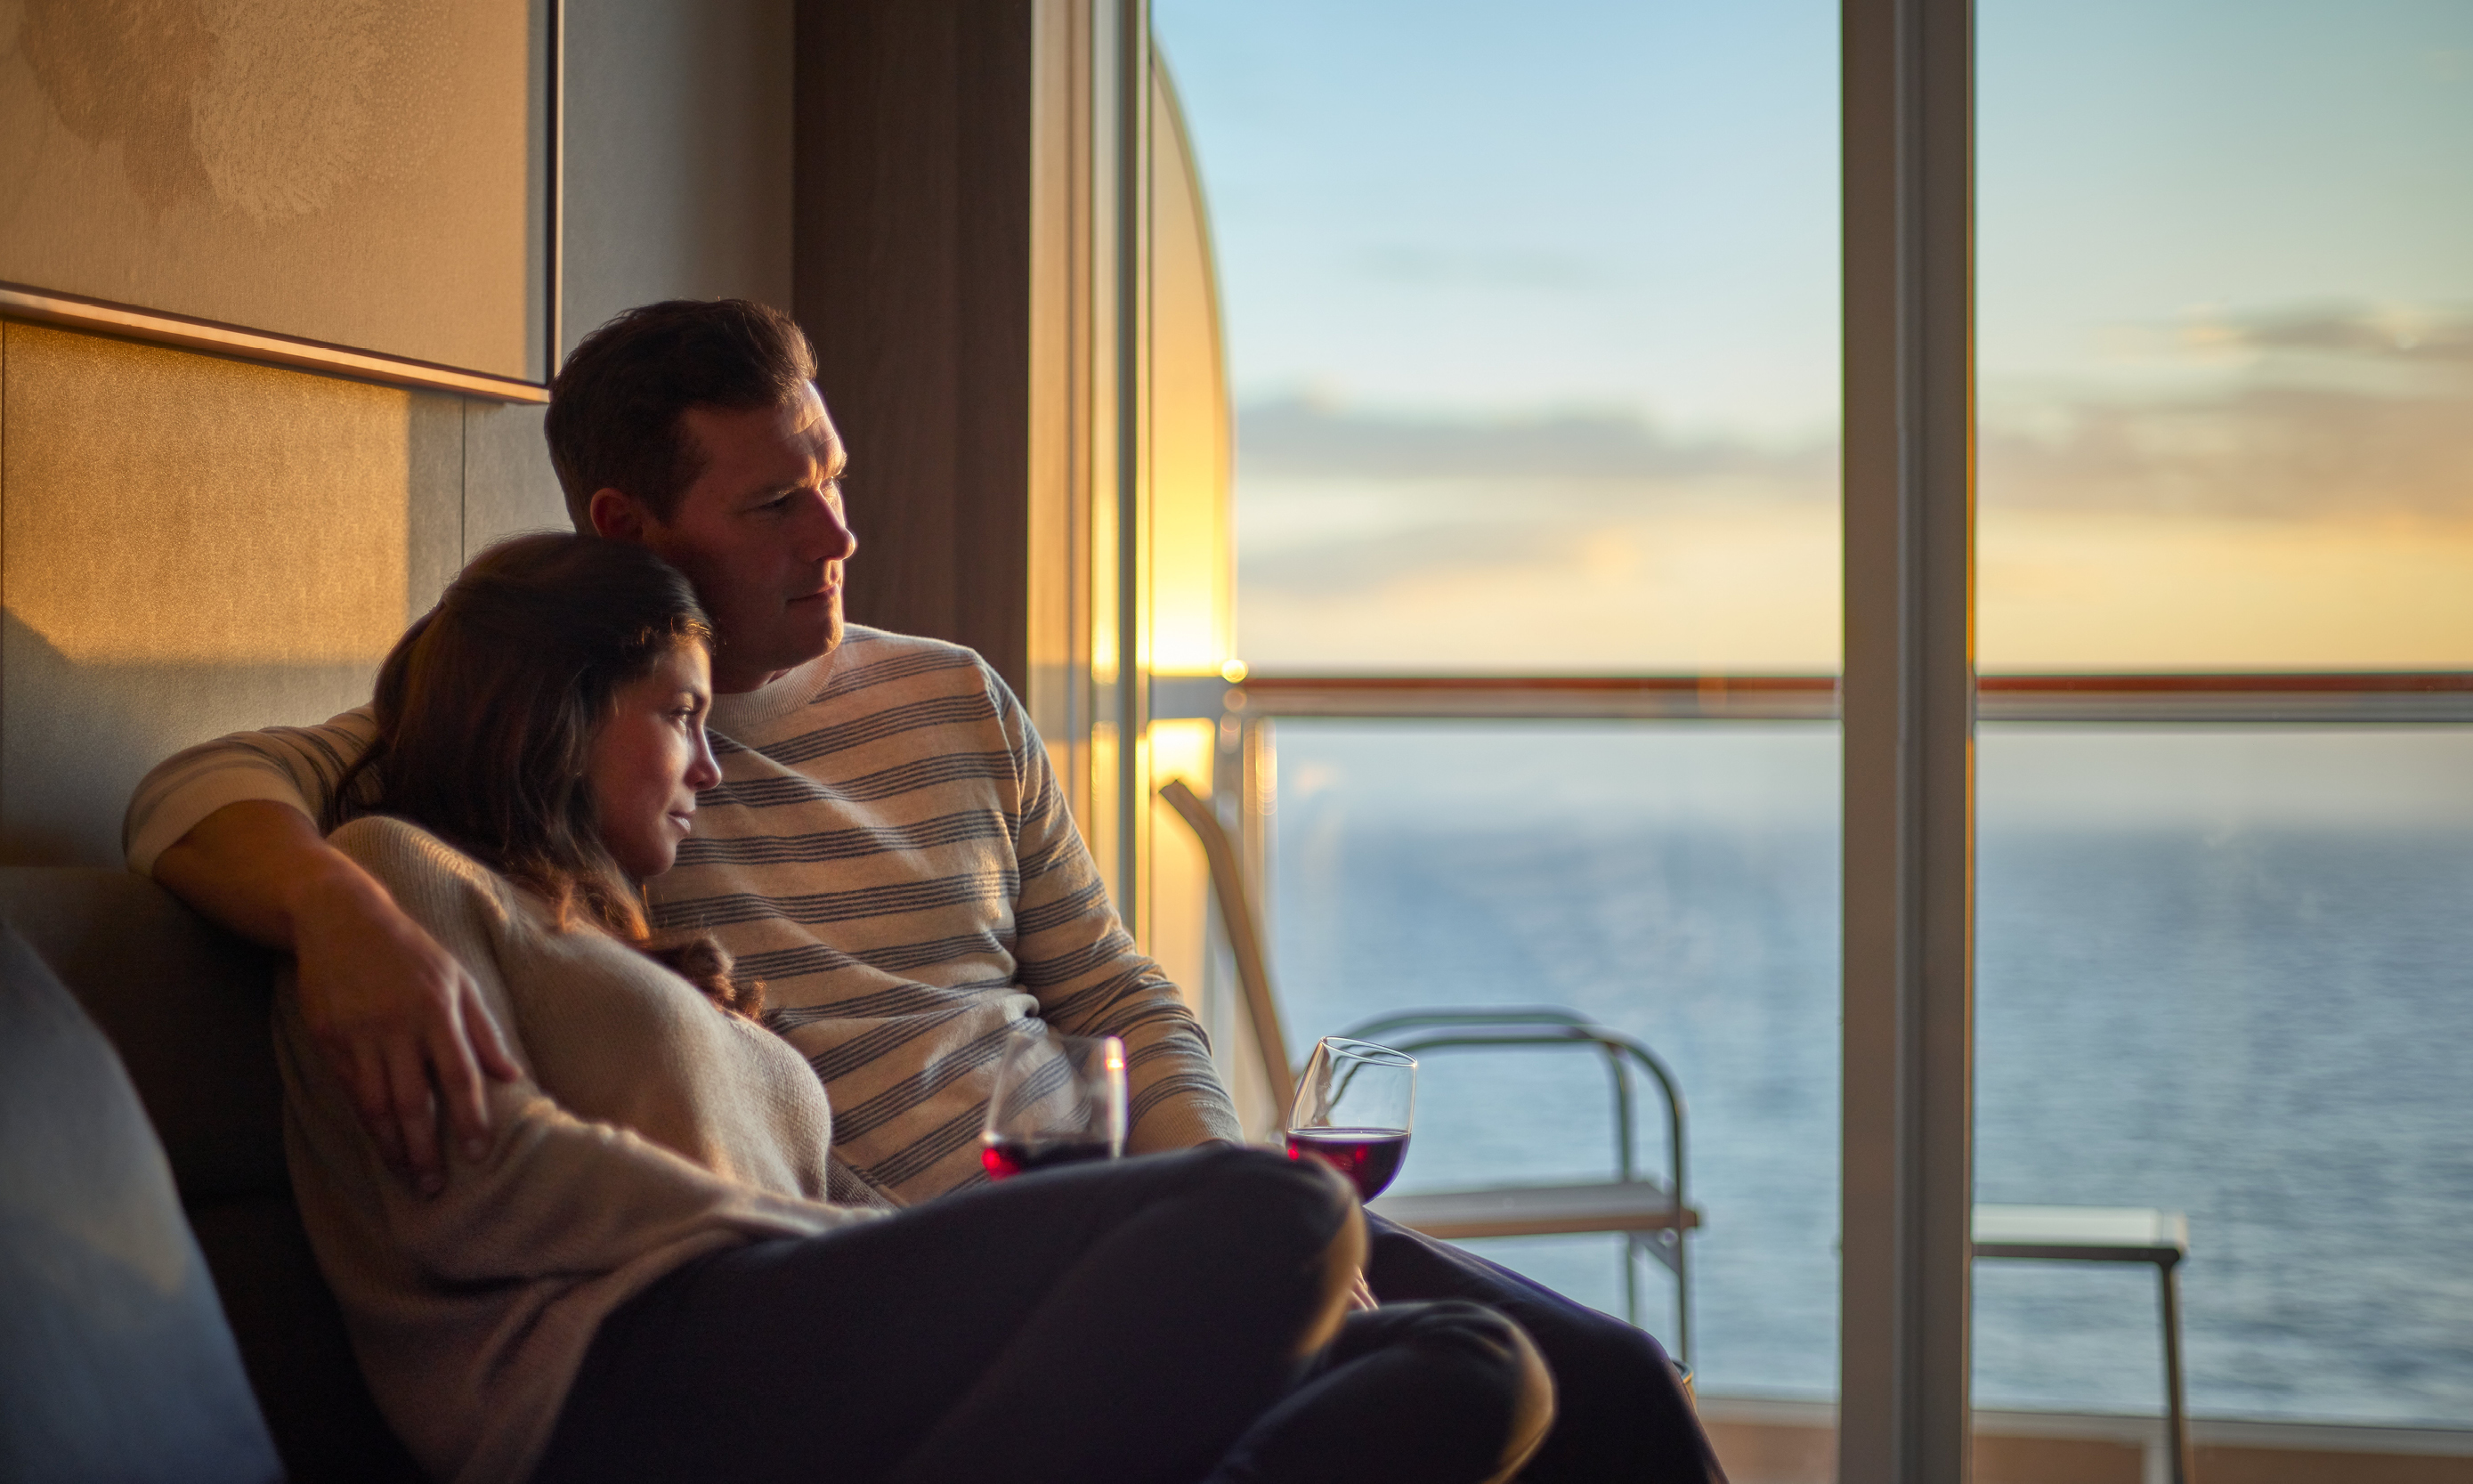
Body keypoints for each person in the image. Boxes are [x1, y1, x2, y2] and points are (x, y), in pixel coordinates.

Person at [126, 298, 1724, 1481]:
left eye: (831, 475)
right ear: (629, 529)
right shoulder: (522, 756)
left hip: (1115, 1202)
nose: (838, 532)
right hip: (906, 1276)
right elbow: (192, 796)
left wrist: (1211, 1187)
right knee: (1369, 1321)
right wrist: (340, 913)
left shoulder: (951, 698)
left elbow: (1106, 986)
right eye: (774, 504)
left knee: (1600, 1382)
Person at [287, 531, 1552, 1484]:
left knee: (1472, 1366)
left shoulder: (640, 953)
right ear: (550, 720)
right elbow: (485, 1185)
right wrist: (857, 1250)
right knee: (1274, 1210)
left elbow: (837, 1200)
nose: (711, 766)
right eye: (678, 715)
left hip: (794, 1337)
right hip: (609, 1380)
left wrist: (956, 1254)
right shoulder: (399, 878)